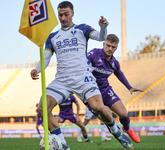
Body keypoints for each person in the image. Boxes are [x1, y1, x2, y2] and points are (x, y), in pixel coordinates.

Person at [30, 1, 132, 149]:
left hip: (83, 77)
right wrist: (37, 69)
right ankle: (62, 144)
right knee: (42, 108)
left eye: (66, 14)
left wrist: (103, 27)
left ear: (72, 13)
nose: (63, 18)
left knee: (99, 107)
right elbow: (46, 57)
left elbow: (100, 37)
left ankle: (116, 132)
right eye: (60, 14)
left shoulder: (82, 29)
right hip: (61, 80)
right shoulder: (52, 37)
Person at [86, 34, 143, 144]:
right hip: (91, 93)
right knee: (107, 118)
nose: (110, 49)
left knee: (124, 114)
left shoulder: (114, 63)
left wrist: (129, 87)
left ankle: (126, 129)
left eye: (113, 47)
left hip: (105, 90)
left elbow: (119, 74)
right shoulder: (94, 54)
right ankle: (118, 134)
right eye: (108, 46)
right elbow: (83, 62)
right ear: (104, 44)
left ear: (116, 48)